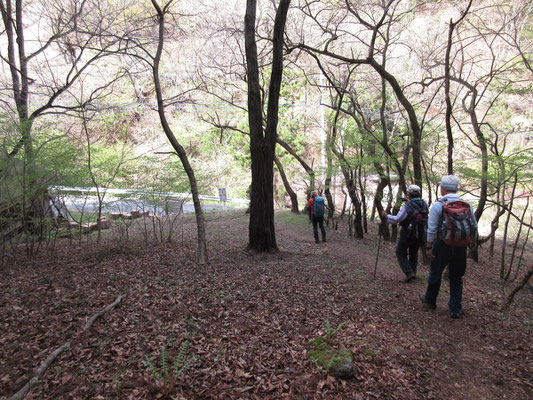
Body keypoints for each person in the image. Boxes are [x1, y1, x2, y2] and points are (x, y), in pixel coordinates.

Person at [419, 175, 478, 318]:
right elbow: (474, 226)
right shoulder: (466, 204)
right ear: (456, 188)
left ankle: (430, 300)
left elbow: (432, 228)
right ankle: (455, 308)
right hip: (461, 246)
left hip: (443, 244)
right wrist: (471, 243)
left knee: (435, 272)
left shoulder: (439, 205)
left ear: (443, 188)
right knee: (456, 277)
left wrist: (428, 247)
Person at [382, 184, 428, 282]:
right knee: (413, 253)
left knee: (400, 252)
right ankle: (413, 273)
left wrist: (387, 216)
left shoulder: (407, 206)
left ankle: (409, 272)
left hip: (407, 233)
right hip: (420, 234)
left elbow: (397, 219)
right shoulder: (425, 204)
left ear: (409, 194)